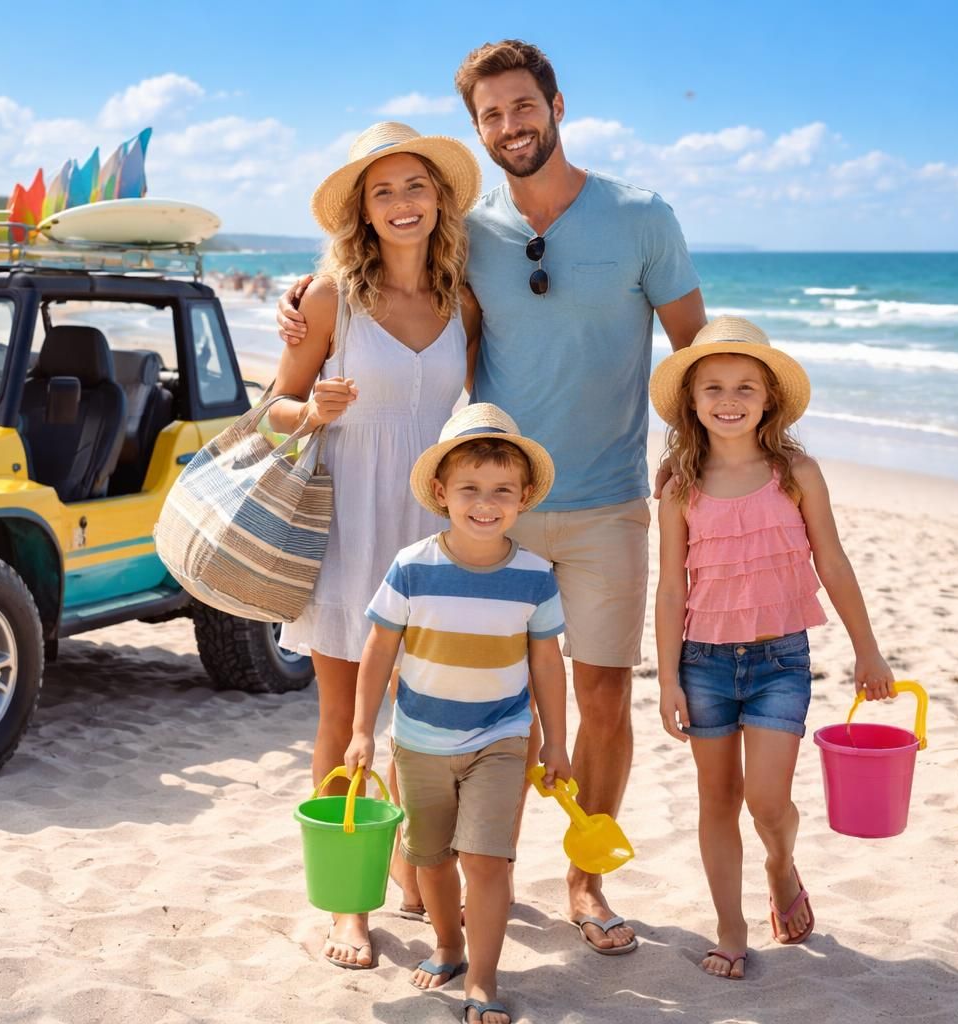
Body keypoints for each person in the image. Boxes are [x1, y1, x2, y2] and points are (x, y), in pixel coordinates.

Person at [279, 39, 707, 953]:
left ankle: (585, 884)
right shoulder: (470, 236)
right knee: (442, 710)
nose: (510, 126)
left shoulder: (639, 217)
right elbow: (367, 286)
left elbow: (695, 353)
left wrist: (700, 455)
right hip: (473, 511)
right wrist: (300, 308)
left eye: (523, 107)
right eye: (492, 116)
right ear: (477, 129)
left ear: (556, 104)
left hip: (601, 501)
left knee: (593, 699)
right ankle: (442, 880)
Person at [269, 121, 483, 969]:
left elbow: (485, 408)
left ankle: (404, 860)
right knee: (342, 721)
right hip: (352, 525)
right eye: (383, 190)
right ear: (361, 208)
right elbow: (275, 407)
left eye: (415, 187)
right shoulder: (329, 298)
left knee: (425, 721)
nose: (402, 204)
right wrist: (313, 409)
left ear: (439, 200)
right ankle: (348, 906)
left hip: (434, 534)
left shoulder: (462, 297)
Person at [652, 315, 896, 980]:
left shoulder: (797, 473)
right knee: (716, 800)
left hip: (779, 660)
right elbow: (671, 589)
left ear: (769, 400)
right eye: (713, 389)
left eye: (744, 388)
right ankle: (731, 928)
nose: (728, 401)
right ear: (692, 403)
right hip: (701, 662)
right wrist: (667, 677)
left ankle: (780, 863)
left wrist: (867, 651)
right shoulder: (679, 488)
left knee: (765, 802)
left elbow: (835, 565)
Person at [344, 403, 570, 1024]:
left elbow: (548, 665)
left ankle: (483, 979)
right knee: (431, 857)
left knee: (486, 859)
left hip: (501, 735)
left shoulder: (534, 576)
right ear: (442, 493)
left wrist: (555, 742)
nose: (485, 503)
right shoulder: (412, 565)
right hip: (418, 741)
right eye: (470, 489)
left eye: (502, 491)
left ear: (524, 498)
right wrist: (363, 731)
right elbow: (379, 648)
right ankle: (448, 943)